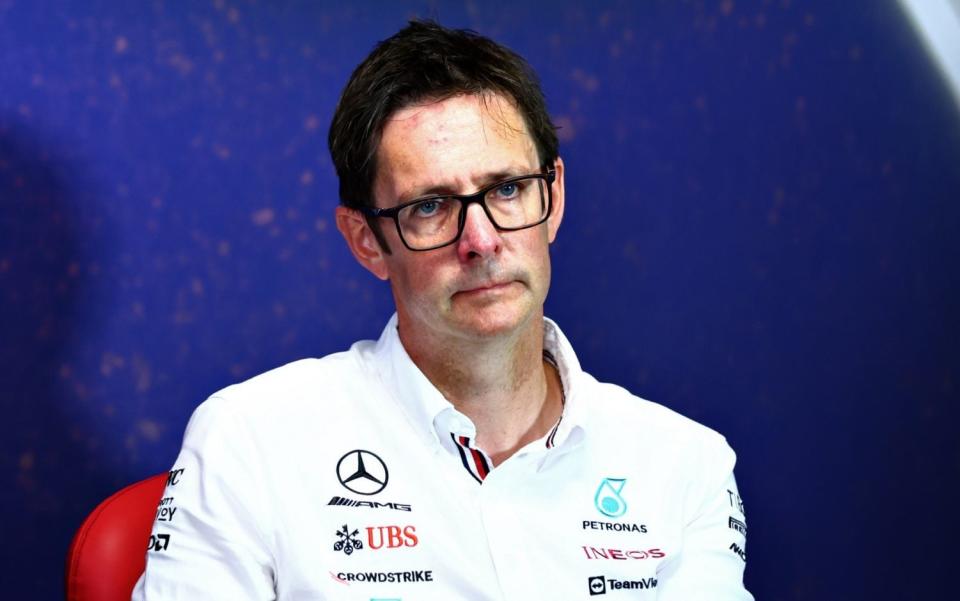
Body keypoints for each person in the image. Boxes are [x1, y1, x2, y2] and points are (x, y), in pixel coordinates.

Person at [133, 20, 752, 600]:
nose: (480, 240)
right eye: (429, 206)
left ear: (555, 197)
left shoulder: (685, 465)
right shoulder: (250, 442)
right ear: (366, 241)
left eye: (507, 190)